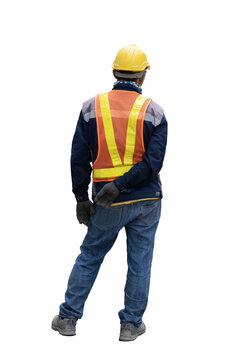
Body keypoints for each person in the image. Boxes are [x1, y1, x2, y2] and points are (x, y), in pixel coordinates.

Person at [51, 44, 168, 341]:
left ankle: (67, 319)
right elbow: (153, 163)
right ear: (142, 76)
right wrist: (125, 183)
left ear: (114, 72)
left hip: (107, 201)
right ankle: (130, 325)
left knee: (90, 254)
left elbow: (79, 157)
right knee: (140, 260)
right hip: (146, 200)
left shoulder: (92, 107)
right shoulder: (154, 112)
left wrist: (81, 198)